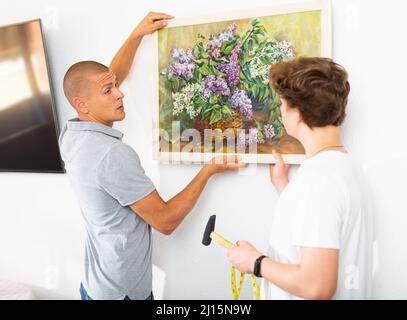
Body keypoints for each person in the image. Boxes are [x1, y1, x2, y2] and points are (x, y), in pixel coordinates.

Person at [59, 12, 246, 300]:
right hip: (122, 295)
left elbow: (108, 76)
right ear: (82, 104)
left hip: (94, 286)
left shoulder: (72, 135)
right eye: (109, 91)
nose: (120, 94)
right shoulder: (111, 155)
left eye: (115, 86)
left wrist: (136, 35)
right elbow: (166, 221)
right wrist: (208, 169)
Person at [227, 57, 374, 299]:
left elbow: (317, 286)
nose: (281, 111)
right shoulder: (344, 167)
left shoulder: (318, 182)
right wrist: (284, 187)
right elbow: (320, 225)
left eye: (282, 105)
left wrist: (255, 263)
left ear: (298, 113)